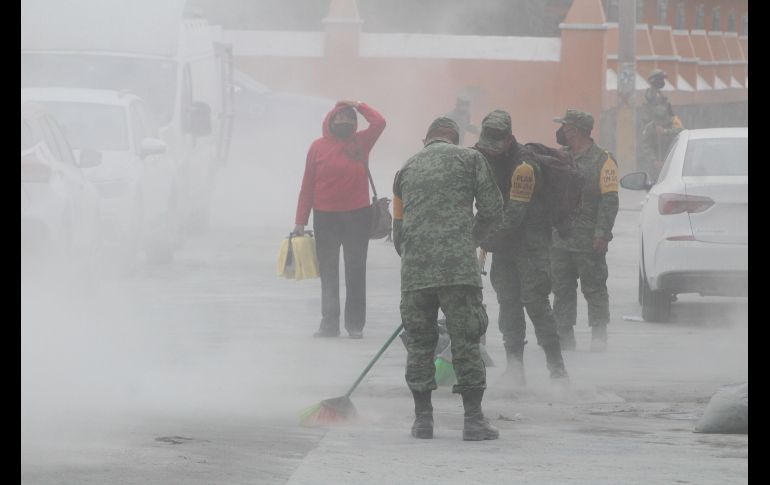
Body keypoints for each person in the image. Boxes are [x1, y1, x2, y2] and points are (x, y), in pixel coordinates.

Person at [392, 117, 503, 441]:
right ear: (454, 138)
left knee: (419, 343)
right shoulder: (471, 159)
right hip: (458, 271)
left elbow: (398, 231)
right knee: (466, 341)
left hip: (416, 272)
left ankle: (422, 421)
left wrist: (416, 259)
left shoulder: (405, 169)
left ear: (426, 139)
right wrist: (471, 239)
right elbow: (493, 209)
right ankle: (473, 421)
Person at [474, 110, 569, 386]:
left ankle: (557, 371)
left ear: (509, 139)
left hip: (531, 245)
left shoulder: (525, 165)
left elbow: (515, 214)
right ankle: (515, 370)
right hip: (504, 246)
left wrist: (483, 239)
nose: (491, 150)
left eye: (496, 144)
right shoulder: (484, 157)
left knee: (536, 303)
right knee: (508, 304)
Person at [294, 100, 386, 339]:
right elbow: (307, 185)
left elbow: (379, 122)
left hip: (357, 216)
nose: (345, 121)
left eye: (349, 118)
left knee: (356, 270)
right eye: (340, 117)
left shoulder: (362, 142)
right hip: (325, 217)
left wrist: (358, 105)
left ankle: (355, 325)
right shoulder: (317, 147)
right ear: (330, 120)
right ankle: (329, 323)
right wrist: (300, 220)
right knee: (328, 271)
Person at [550, 109, 619, 352]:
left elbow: (609, 200)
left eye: (565, 127)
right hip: (560, 238)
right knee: (562, 289)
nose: (562, 131)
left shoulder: (603, 160)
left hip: (589, 239)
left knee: (594, 287)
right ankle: (564, 335)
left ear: (574, 131)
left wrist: (602, 233)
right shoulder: (559, 157)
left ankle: (599, 335)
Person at [640, 104, 684, 182]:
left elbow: (681, 132)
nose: (659, 123)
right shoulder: (649, 127)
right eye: (657, 120)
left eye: (661, 120)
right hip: (655, 163)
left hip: (672, 160)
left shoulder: (673, 122)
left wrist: (666, 132)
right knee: (654, 182)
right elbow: (645, 145)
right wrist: (654, 160)